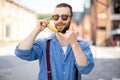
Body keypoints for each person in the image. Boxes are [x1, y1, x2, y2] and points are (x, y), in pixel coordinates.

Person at [15, 3, 94, 80]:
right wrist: (36, 30)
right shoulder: (43, 44)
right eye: (56, 17)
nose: (60, 20)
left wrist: (74, 43)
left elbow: (86, 69)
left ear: (71, 19)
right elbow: (21, 53)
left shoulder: (82, 45)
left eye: (64, 17)